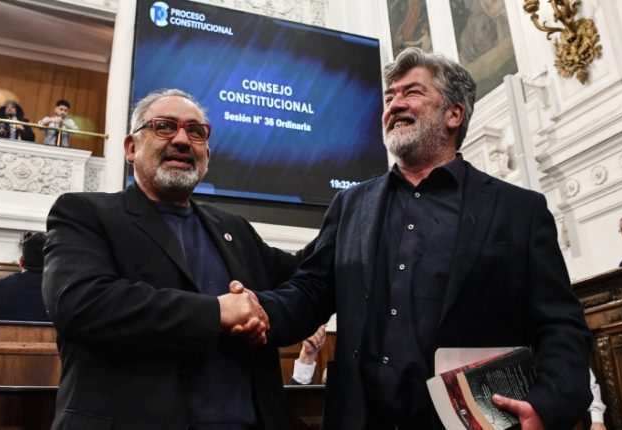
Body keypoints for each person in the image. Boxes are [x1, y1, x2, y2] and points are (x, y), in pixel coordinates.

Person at [251, 47, 593, 430]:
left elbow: (561, 324)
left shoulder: (519, 210)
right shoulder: (350, 205)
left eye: (411, 92)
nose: (394, 104)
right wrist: (259, 310)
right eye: (389, 97)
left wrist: (547, 405)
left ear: (454, 114)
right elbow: (311, 290)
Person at [42, 88, 303, 429]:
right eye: (164, 126)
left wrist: (351, 217)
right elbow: (80, 303)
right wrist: (216, 312)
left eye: (196, 132)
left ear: (207, 154)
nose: (182, 140)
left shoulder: (234, 228)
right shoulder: (85, 212)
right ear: (131, 148)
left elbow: (303, 277)